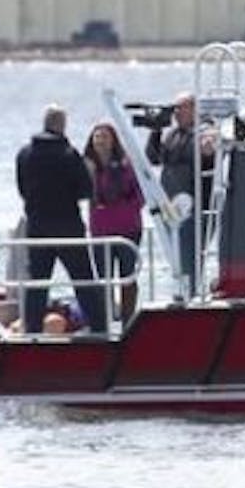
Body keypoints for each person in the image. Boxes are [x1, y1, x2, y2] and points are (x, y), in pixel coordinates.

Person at [15, 104, 107, 333]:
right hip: (67, 226)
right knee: (83, 279)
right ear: (62, 125)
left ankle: (32, 329)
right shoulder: (69, 155)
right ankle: (99, 327)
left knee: (37, 282)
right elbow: (85, 190)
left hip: (36, 226)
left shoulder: (25, 154)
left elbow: (22, 188)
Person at [145, 91, 215, 295]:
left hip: (195, 208)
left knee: (189, 257)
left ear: (194, 108)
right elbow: (154, 158)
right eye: (174, 109)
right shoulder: (173, 135)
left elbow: (207, 149)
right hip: (171, 207)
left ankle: (191, 294)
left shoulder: (204, 131)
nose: (175, 113)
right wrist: (156, 130)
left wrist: (208, 144)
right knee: (175, 257)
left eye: (180, 108)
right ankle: (181, 292)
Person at [84, 122, 144, 321]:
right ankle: (106, 320)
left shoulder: (127, 165)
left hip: (128, 229)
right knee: (103, 278)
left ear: (113, 140)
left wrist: (117, 206)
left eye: (105, 136)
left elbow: (140, 197)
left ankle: (129, 320)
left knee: (127, 277)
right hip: (100, 231)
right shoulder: (86, 167)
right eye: (97, 137)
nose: (100, 141)